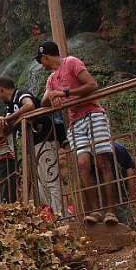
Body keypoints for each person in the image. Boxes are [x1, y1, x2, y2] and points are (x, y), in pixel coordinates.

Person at [37, 41, 118, 224]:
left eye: (41, 60)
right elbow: (43, 103)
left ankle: (111, 211)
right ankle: (96, 211)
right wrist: (52, 96)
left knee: (102, 162)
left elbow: (92, 85)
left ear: (46, 57)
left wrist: (64, 93)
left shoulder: (71, 62)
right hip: (75, 123)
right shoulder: (51, 79)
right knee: (83, 164)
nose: (41, 64)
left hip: (93, 115)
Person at [0, 76, 65, 215]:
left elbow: (29, 105)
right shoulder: (10, 106)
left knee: (51, 177)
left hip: (45, 139)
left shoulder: (20, 94)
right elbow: (7, 126)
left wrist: (8, 118)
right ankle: (53, 213)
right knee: (41, 182)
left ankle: (61, 214)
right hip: (34, 145)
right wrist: (2, 120)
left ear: (0, 89)